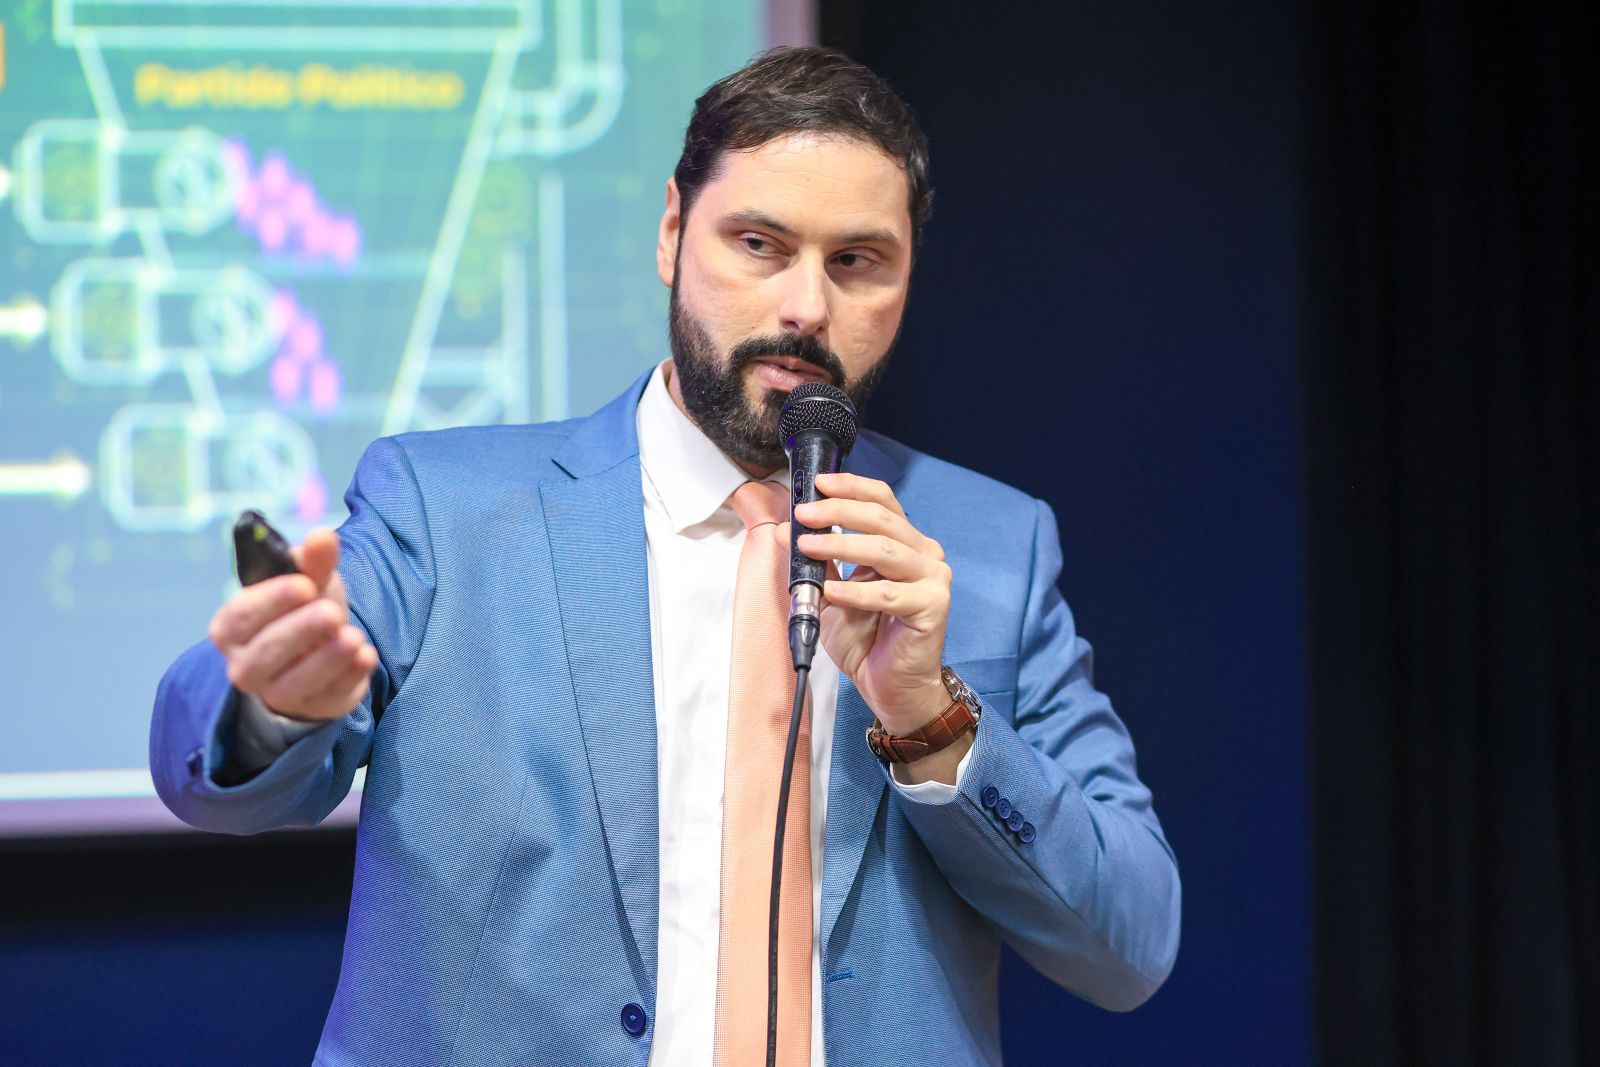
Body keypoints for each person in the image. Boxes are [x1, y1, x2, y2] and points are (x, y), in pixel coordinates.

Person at [151, 46, 1180, 1067]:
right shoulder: (445, 507)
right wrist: (272, 701)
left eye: (857, 262)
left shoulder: (989, 545)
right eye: (759, 244)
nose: (806, 307)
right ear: (672, 233)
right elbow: (215, 780)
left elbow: (1130, 942)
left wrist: (931, 719)